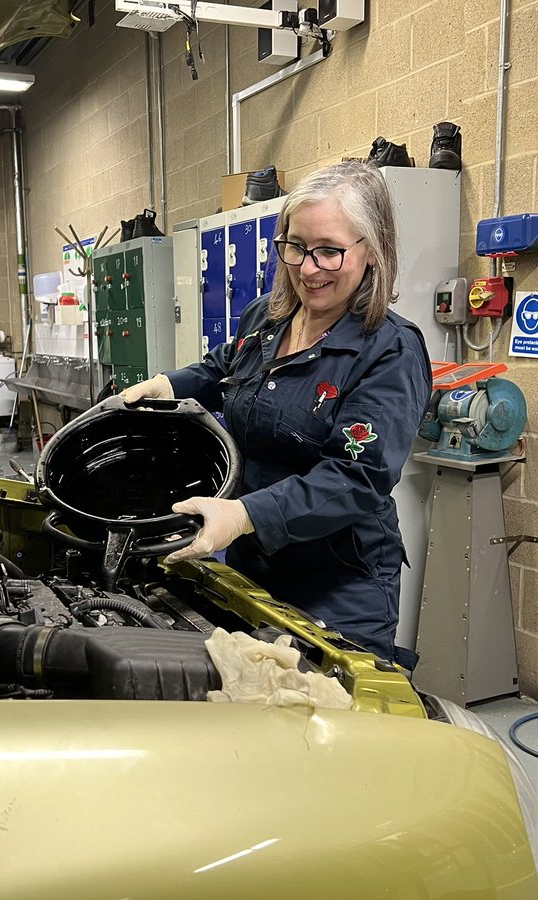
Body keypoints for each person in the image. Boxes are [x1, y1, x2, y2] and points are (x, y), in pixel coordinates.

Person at [120, 161, 431, 664]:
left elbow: (358, 476)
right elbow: (226, 367)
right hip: (252, 565)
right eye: (295, 246)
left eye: (329, 250)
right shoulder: (268, 317)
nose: (308, 268)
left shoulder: (390, 351)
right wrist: (167, 386)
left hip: (337, 587)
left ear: (371, 251)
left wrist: (245, 514)